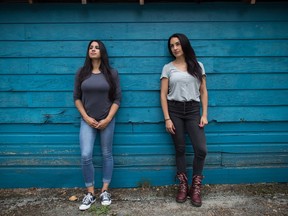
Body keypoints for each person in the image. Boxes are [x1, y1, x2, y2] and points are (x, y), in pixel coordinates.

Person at [160, 33, 208, 207]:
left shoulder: (198, 66)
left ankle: (195, 187)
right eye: (172, 46)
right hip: (175, 111)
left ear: (184, 45)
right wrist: (167, 118)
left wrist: (204, 114)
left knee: (201, 149)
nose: (175, 48)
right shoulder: (167, 68)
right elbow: (163, 95)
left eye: (178, 44)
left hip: (194, 111)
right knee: (180, 149)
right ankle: (183, 186)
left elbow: (203, 91)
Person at [73, 40, 121, 210]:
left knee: (107, 153)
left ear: (102, 52)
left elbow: (117, 99)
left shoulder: (111, 73)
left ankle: (105, 191)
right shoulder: (81, 73)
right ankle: (90, 194)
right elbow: (76, 98)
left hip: (107, 120)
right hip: (87, 120)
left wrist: (107, 119)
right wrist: (86, 117)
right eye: (90, 48)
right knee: (86, 155)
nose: (93, 50)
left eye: (96, 47)